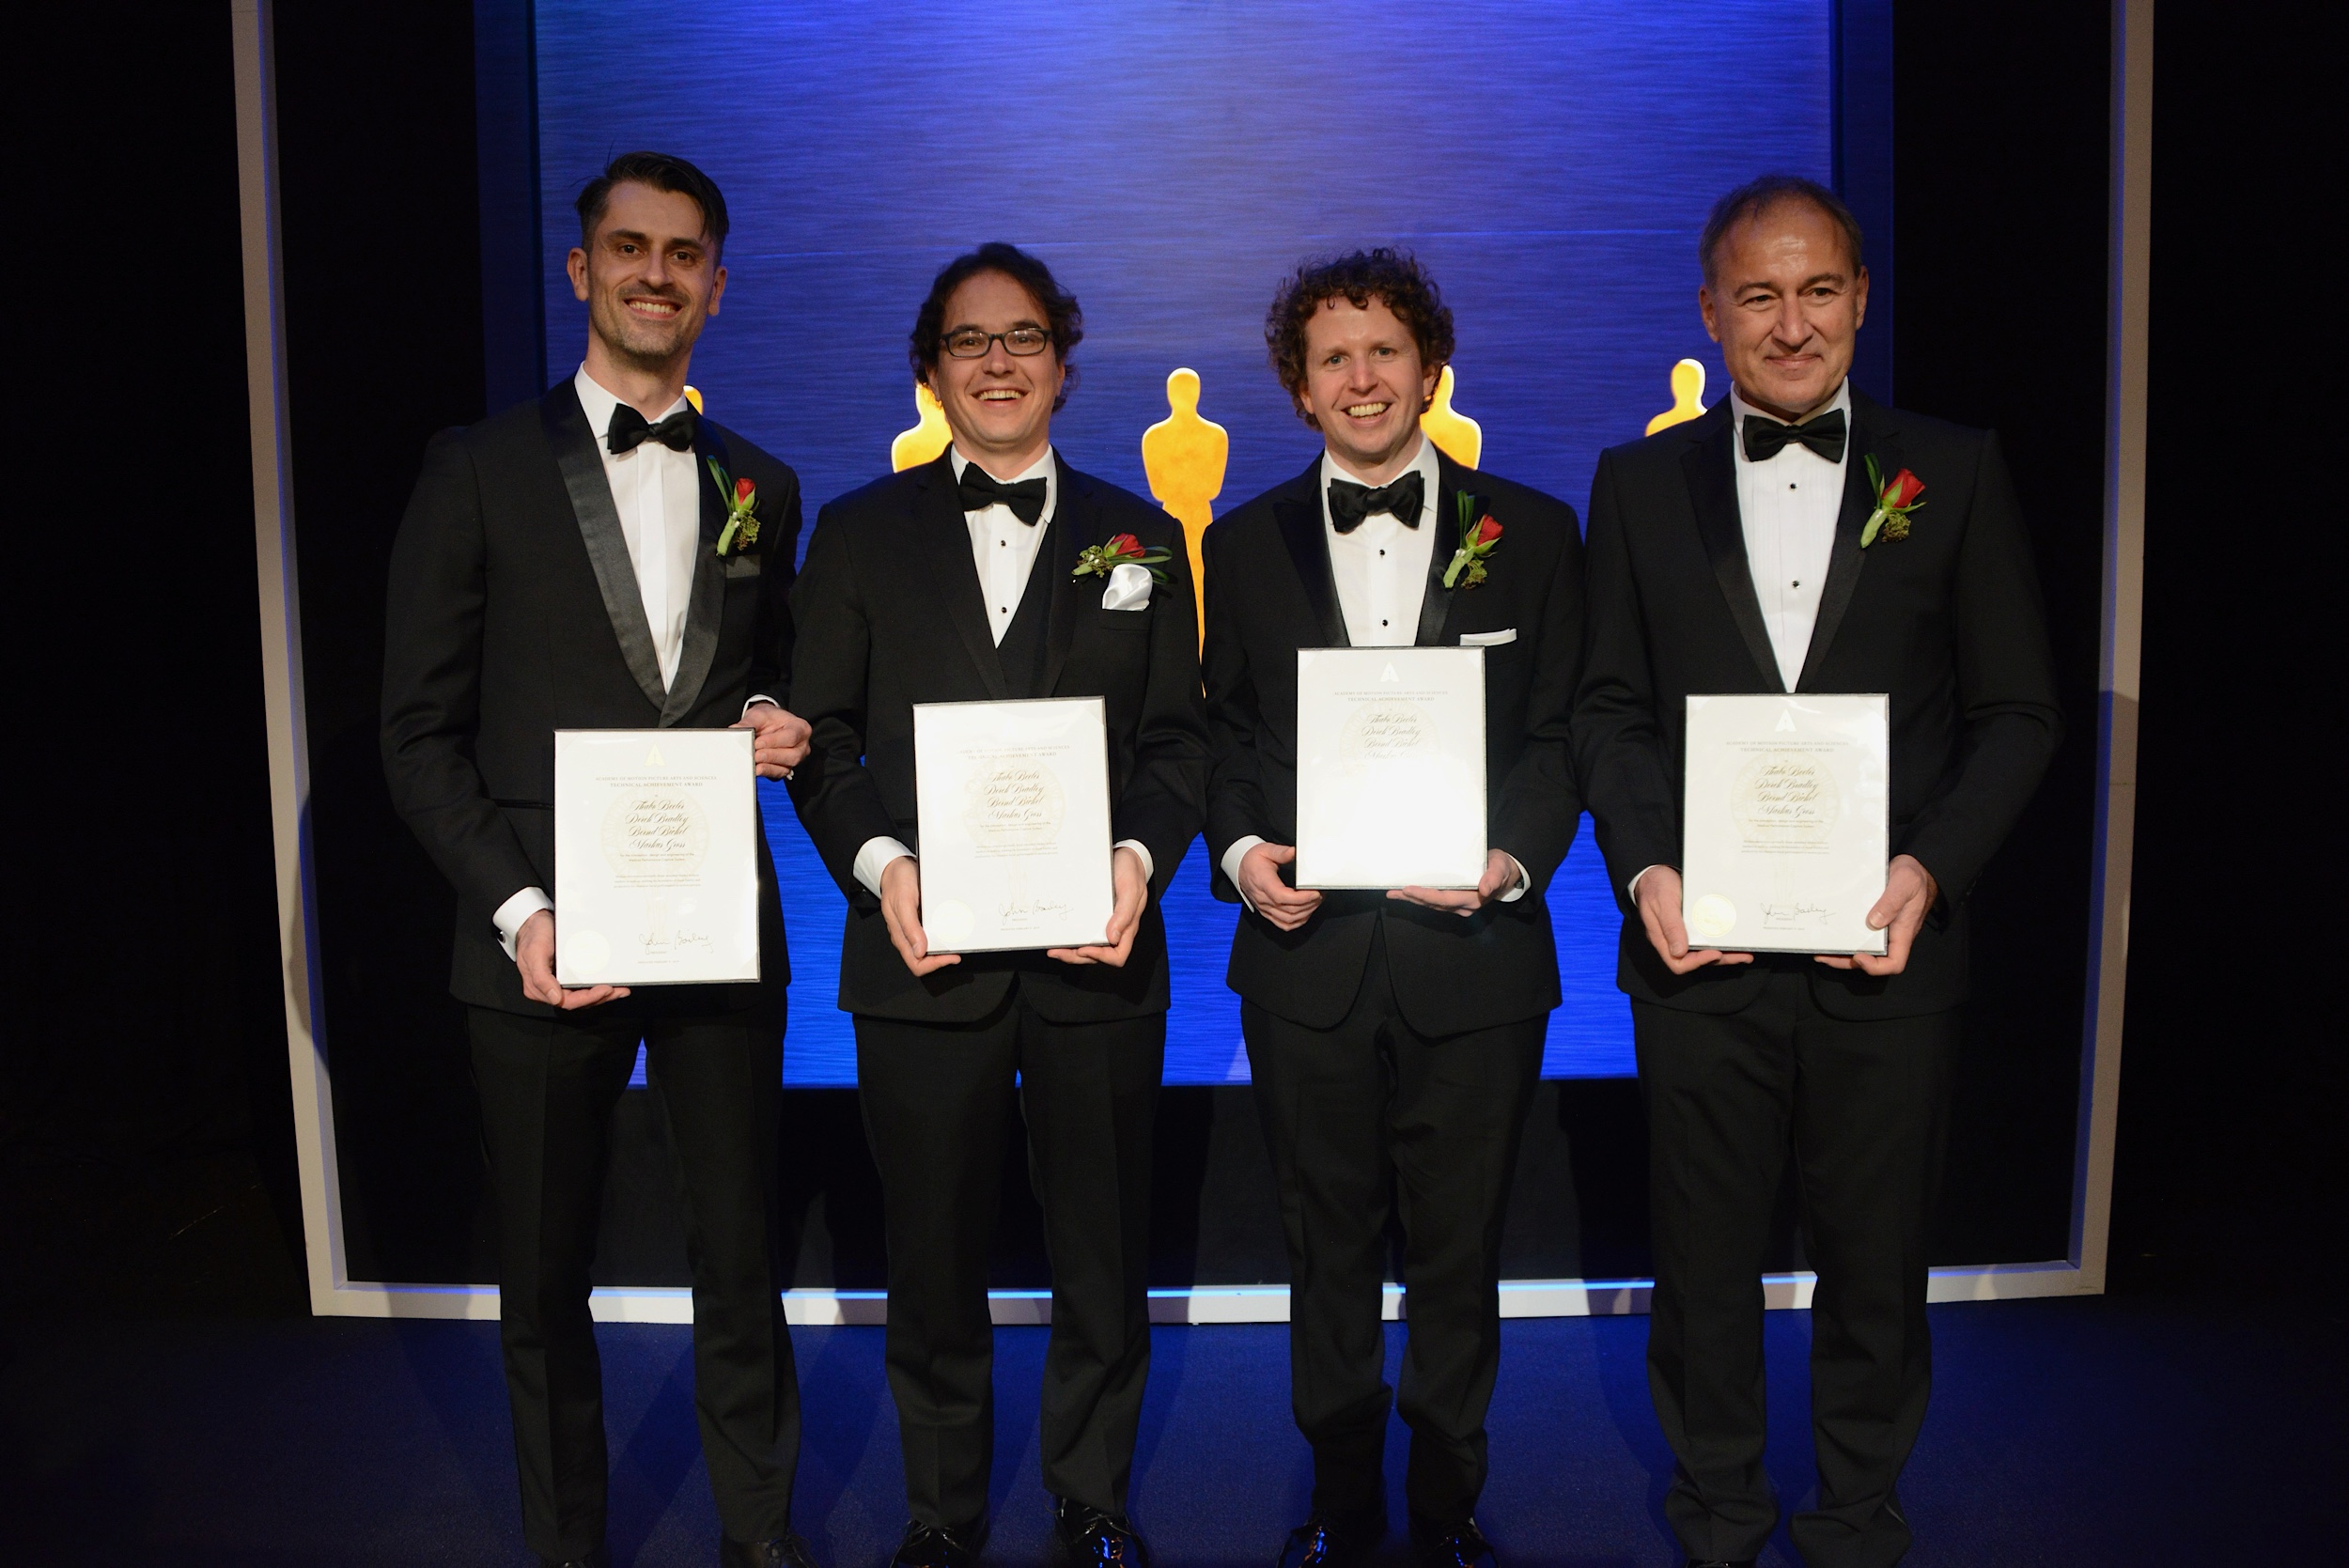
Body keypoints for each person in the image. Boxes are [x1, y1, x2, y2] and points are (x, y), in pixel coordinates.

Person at [1573, 175, 2062, 1568]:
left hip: (1884, 948)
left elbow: (2019, 710)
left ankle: (1857, 1513)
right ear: (1711, 311)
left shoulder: (1951, 469)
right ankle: (1718, 1507)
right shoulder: (1636, 482)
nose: (1793, 324)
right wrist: (1646, 866)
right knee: (1703, 1259)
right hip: (1698, 951)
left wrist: (1931, 869)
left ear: (1861, 297)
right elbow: (1604, 707)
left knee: (1875, 1260)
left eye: (1821, 290)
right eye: (1761, 295)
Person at [381, 152, 817, 1568]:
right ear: (580, 270)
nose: (654, 272)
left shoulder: (763, 481)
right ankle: (570, 1548)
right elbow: (415, 730)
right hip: (539, 939)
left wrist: (771, 716)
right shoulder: (478, 468)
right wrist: (519, 906)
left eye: (683, 253)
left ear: (717, 286)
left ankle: (761, 1536)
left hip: (714, 928)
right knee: (545, 1272)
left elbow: (767, 678)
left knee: (739, 1256)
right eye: (628, 246)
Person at [785, 243, 1209, 1568]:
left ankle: (1092, 1497)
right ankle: (943, 1510)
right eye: (971, 340)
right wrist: (882, 867)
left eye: (1024, 336)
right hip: (921, 956)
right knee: (932, 1257)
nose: (999, 360)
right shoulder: (857, 532)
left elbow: (1178, 746)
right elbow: (823, 741)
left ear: (1064, 366)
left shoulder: (1141, 533)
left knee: (1101, 1248)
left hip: (1096, 958)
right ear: (931, 371)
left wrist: (1137, 863)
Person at [1200, 250, 1585, 1568]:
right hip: (1306, 960)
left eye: (1385, 351)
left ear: (1430, 368)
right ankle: (1343, 1499)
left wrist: (1507, 860)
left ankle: (1447, 1502)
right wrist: (1245, 848)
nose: (1362, 379)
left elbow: (1561, 740)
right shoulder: (1243, 544)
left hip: (1475, 953)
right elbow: (1227, 729)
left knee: (1461, 1252)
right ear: (1298, 391)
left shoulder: (1532, 533)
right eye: (1332, 359)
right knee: (1324, 1251)